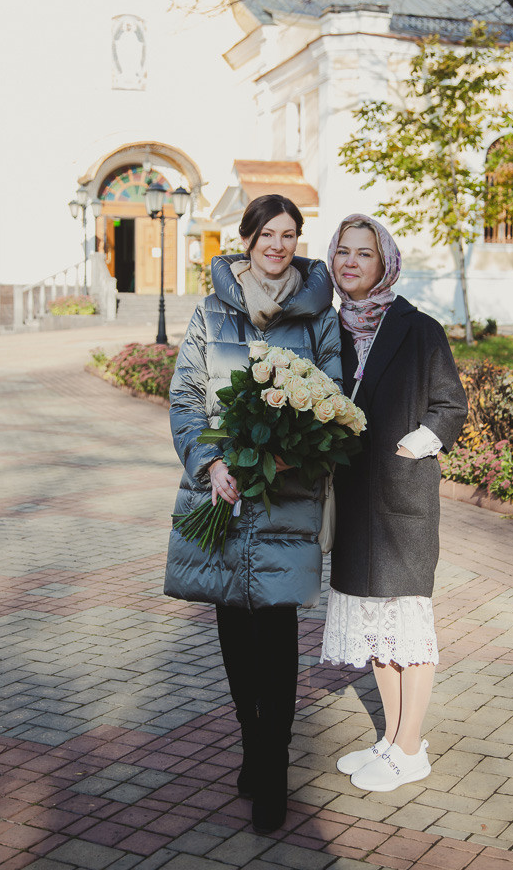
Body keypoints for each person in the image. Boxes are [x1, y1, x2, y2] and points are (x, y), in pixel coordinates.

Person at [165, 194, 341, 833]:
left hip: (284, 497)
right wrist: (213, 465)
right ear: (246, 239)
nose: (277, 244)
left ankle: (274, 767)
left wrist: (282, 459)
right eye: (267, 233)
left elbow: (332, 399)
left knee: (279, 633)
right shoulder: (211, 311)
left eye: (288, 234)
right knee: (234, 634)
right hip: (220, 493)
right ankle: (251, 737)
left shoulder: (318, 314)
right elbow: (186, 396)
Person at [320, 214, 467, 792]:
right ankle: (390, 739)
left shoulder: (417, 328)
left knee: (405, 624)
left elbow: (449, 404)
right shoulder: (329, 330)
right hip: (354, 501)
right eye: (343, 253)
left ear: (385, 264)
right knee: (373, 626)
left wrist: (420, 440)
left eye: (365, 253)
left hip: (402, 498)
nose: (351, 262)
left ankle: (412, 748)